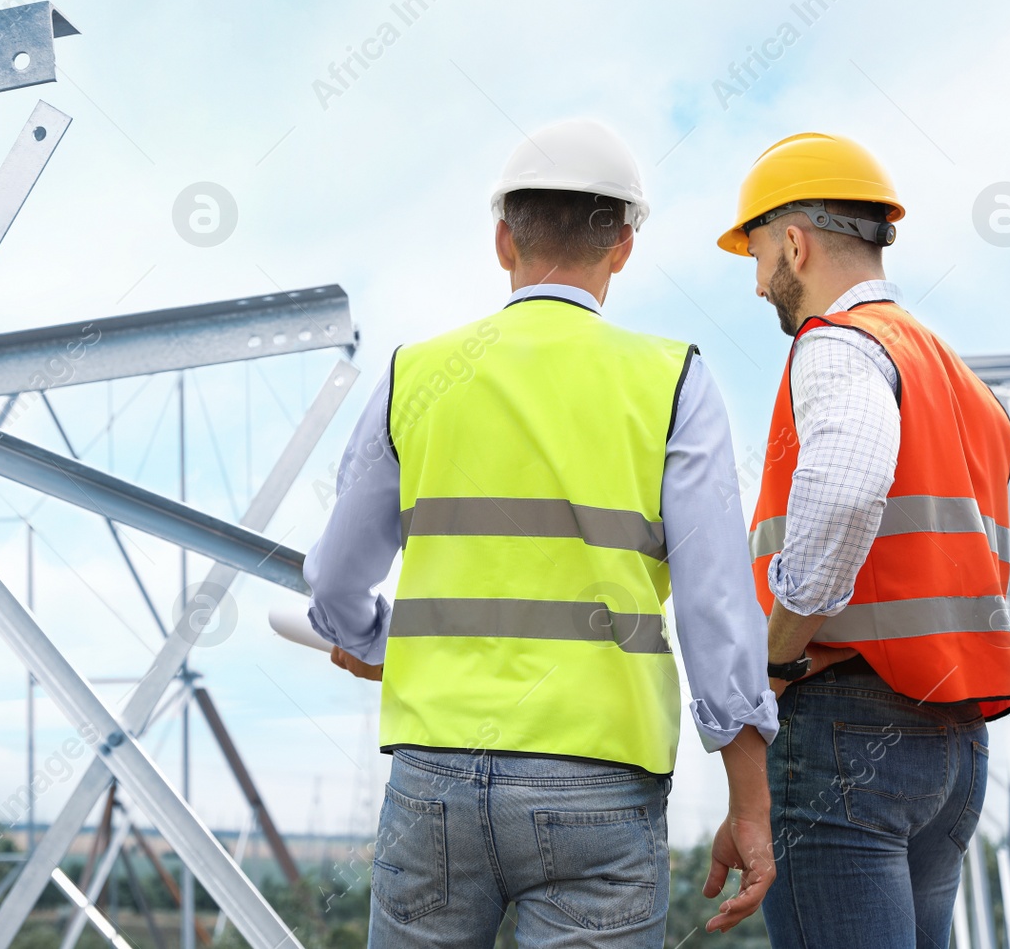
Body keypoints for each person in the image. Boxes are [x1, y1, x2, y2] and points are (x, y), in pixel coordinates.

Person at [303, 118, 777, 948]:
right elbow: (715, 605)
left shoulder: (414, 373)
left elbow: (337, 578)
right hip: (600, 773)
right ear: (624, 245)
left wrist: (371, 640)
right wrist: (750, 797)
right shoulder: (674, 380)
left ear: (501, 240)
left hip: (433, 771)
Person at [717, 132, 1010, 948]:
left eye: (755, 255)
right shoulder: (963, 382)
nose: (757, 284)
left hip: (846, 725)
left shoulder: (837, 345)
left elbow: (848, 493)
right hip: (953, 743)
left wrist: (777, 659)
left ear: (794, 242)